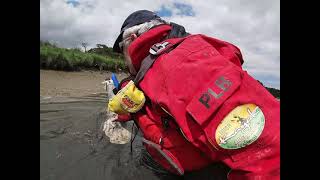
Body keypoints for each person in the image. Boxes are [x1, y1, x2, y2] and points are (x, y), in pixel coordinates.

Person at [109, 10, 280, 180]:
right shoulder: (152, 68)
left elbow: (272, 157)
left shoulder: (184, 65)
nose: (124, 60)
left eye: (123, 51)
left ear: (132, 40)